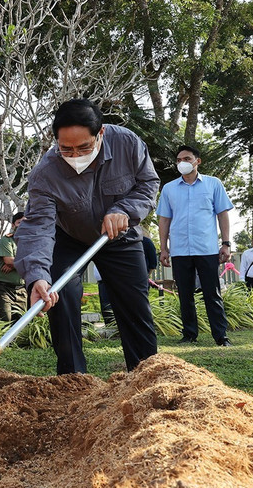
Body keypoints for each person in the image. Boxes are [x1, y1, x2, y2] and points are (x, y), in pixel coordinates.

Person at [15, 98, 159, 374]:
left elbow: (148, 183)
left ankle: (146, 377)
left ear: (100, 133)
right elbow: (37, 227)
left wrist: (124, 210)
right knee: (60, 293)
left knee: (134, 304)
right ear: (55, 141)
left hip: (118, 235)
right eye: (66, 148)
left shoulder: (127, 143)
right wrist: (37, 276)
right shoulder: (45, 173)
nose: (75, 155)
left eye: (84, 147)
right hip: (68, 237)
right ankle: (72, 380)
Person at [157, 145, 234, 346]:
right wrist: (163, 248)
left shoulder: (213, 184)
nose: (182, 163)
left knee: (212, 293)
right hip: (180, 250)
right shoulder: (169, 189)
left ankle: (220, 336)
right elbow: (164, 219)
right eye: (179, 160)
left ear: (197, 161)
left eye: (187, 158)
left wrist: (225, 243)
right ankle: (189, 334)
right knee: (185, 295)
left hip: (206, 248)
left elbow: (222, 214)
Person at [0, 211, 26, 322]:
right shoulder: (6, 240)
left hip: (21, 290)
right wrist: (23, 263)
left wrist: (14, 264)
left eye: (26, 222)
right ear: (13, 225)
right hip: (3, 288)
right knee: (5, 321)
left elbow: (35, 261)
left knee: (20, 324)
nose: (23, 225)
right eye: (19, 222)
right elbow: (8, 260)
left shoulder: (31, 242)